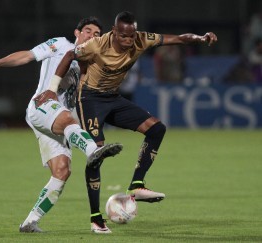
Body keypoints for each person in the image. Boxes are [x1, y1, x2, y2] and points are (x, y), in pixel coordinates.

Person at [34, 11, 218, 233]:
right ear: (114, 33)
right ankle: (96, 219)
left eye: (131, 37)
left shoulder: (141, 39)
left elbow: (177, 38)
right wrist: (52, 90)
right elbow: (68, 57)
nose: (129, 41)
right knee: (96, 154)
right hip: (90, 99)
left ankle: (137, 185)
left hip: (112, 98)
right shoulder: (98, 44)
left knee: (157, 129)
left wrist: (200, 38)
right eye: (124, 37)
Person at [0, 16, 123, 233]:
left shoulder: (94, 61)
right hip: (43, 105)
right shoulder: (59, 45)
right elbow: (27, 55)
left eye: (96, 34)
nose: (91, 36)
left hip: (59, 120)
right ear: (77, 33)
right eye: (87, 31)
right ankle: (94, 150)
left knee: (62, 171)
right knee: (68, 120)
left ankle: (29, 222)